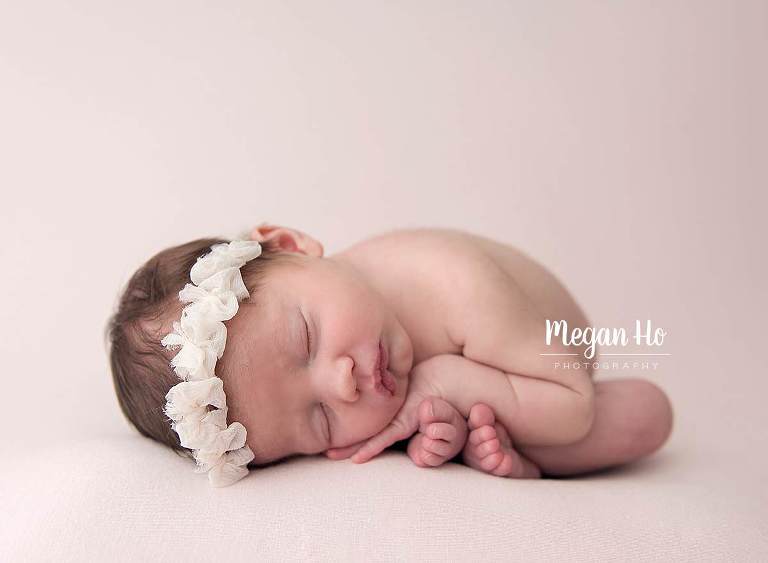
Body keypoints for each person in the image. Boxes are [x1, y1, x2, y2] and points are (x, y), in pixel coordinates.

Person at [106, 224, 672, 486]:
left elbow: (575, 408)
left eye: (307, 340)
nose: (341, 384)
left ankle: (527, 454)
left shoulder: (456, 285)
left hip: (553, 372)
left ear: (290, 245)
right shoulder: (362, 336)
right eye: (319, 419)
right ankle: (495, 452)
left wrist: (442, 381)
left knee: (647, 414)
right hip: (496, 397)